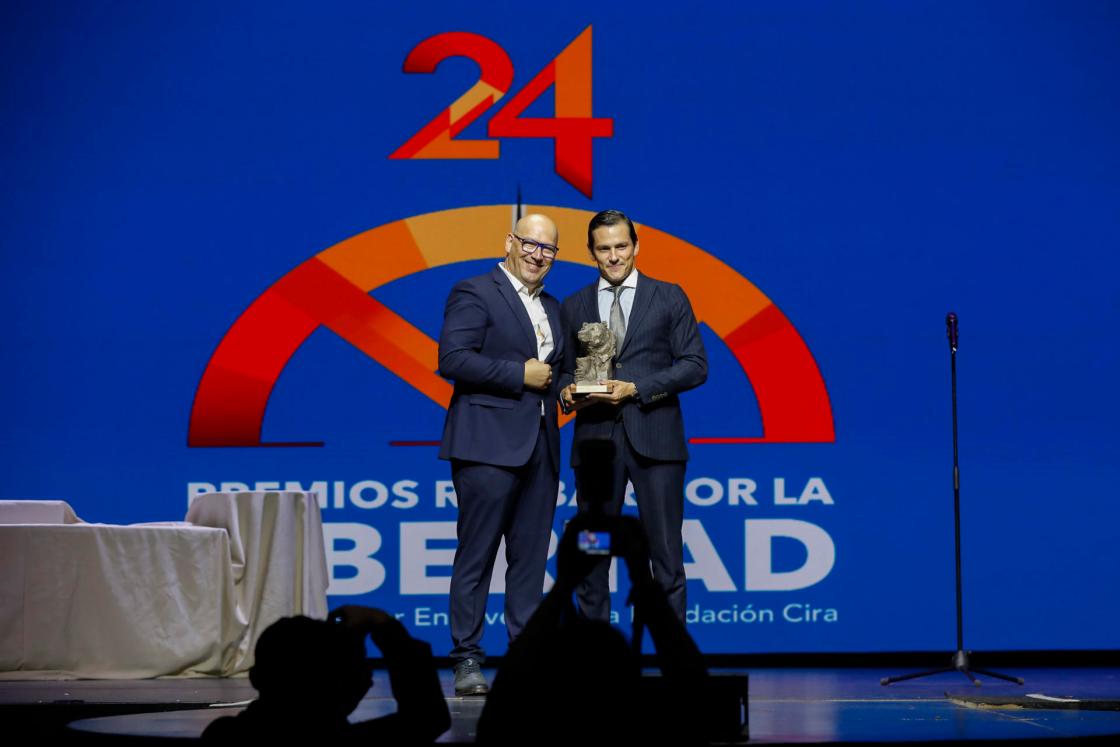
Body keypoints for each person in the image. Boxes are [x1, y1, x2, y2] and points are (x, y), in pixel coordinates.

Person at [438, 213, 566, 696]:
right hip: (486, 445)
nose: (537, 254)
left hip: (541, 446)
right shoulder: (475, 291)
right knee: (477, 557)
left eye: (548, 248)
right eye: (530, 243)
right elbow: (453, 359)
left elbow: (558, 373)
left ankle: (525, 655)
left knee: (531, 560)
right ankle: (467, 658)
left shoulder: (553, 307)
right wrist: (519, 375)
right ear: (510, 241)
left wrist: (576, 389)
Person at [560, 209, 708, 621]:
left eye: (621, 246)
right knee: (592, 552)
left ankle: (671, 652)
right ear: (590, 252)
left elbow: (695, 365)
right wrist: (566, 392)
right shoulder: (573, 305)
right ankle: (595, 650)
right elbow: (562, 372)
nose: (613, 256)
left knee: (666, 554)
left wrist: (636, 388)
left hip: (657, 443)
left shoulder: (669, 296)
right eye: (603, 248)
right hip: (596, 445)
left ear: (636, 246)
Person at [476, 513, 709, 746]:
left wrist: (563, 586)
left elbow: (507, 689)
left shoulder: (528, 726)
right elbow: (694, 689)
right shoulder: (651, 726)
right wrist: (643, 580)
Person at [201, 606, 449, 742]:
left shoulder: (223, 736)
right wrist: (383, 624)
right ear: (355, 684)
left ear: (256, 677)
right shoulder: (348, 743)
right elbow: (427, 717)